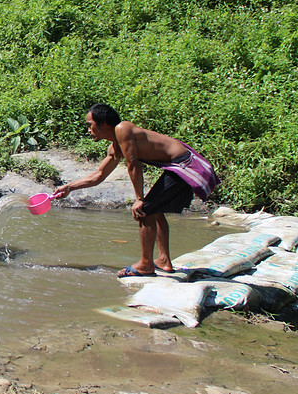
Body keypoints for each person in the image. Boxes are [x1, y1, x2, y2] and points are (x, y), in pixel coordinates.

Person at [54, 103, 220, 277]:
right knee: (155, 210)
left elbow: (134, 164)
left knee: (145, 211)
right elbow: (99, 175)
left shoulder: (122, 129)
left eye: (90, 124)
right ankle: (163, 260)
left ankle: (146, 265)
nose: (88, 129)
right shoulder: (115, 146)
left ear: (103, 123)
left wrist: (139, 199)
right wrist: (69, 187)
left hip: (186, 166)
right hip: (180, 166)